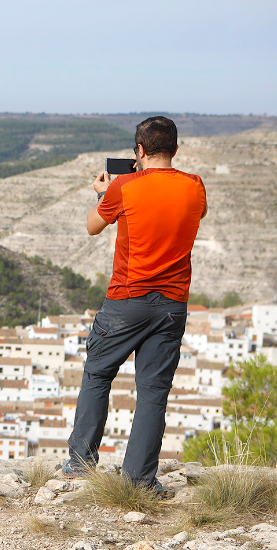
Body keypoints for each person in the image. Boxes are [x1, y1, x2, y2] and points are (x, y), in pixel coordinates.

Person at [63, 116, 207, 496]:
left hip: (127, 299)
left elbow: (93, 226)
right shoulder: (195, 186)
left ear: (139, 151)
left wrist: (103, 193)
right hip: (172, 304)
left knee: (98, 373)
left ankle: (81, 464)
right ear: (175, 149)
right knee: (154, 391)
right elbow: (195, 213)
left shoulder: (124, 187)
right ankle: (140, 480)